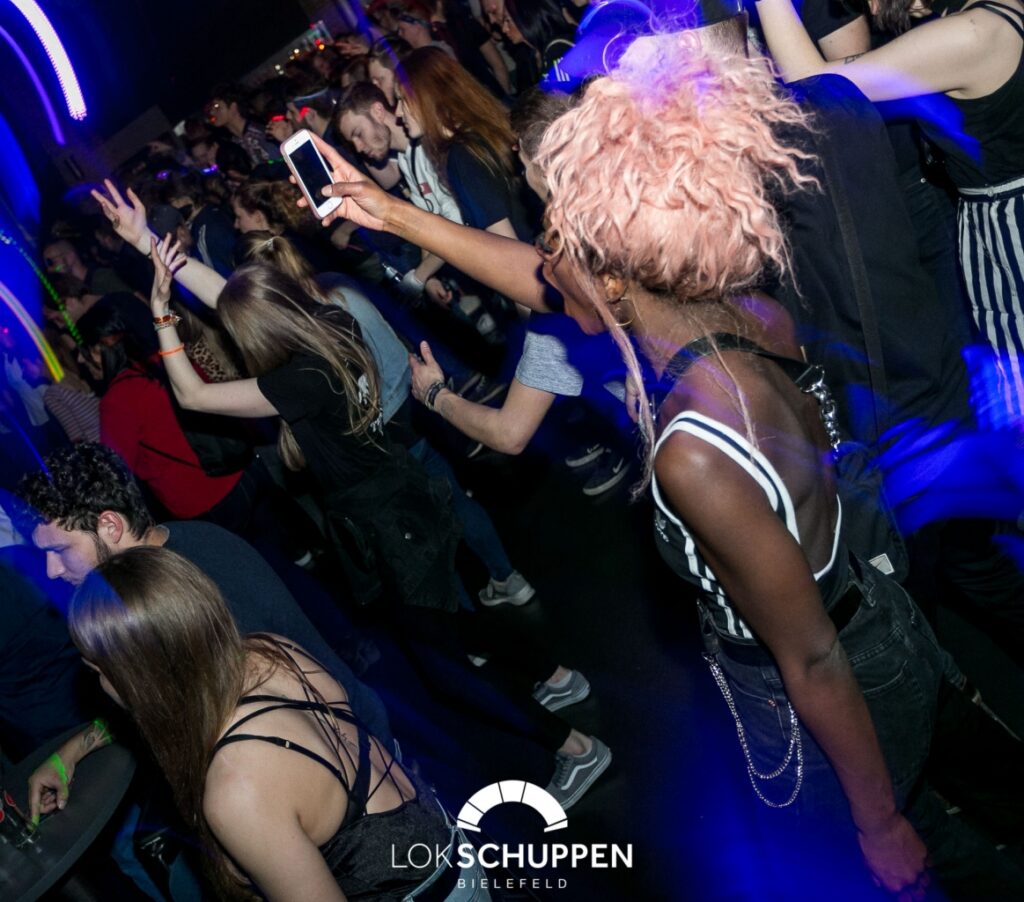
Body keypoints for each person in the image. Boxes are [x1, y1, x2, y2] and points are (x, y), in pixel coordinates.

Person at [529, 29, 1024, 899]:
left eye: (552, 239)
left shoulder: (695, 452)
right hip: (888, 622)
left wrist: (877, 823)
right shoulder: (749, 314)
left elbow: (814, 658)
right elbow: (541, 284)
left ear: (612, 276)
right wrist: (392, 215)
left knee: (902, 862)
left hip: (841, 697)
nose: (540, 261)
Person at [66, 546, 484, 901]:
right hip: (450, 850)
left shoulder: (237, 789)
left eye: (99, 669)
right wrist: (71, 752)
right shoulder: (269, 652)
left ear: (140, 674)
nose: (101, 684)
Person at [754, 0, 1024, 421]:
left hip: (1009, 230)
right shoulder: (982, 16)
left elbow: (818, 84)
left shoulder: (972, 33)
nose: (868, 6)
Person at [398, 47, 532, 241]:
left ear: (426, 96)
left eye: (402, 100)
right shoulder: (481, 129)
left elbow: (507, 245)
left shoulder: (461, 156)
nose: (398, 113)